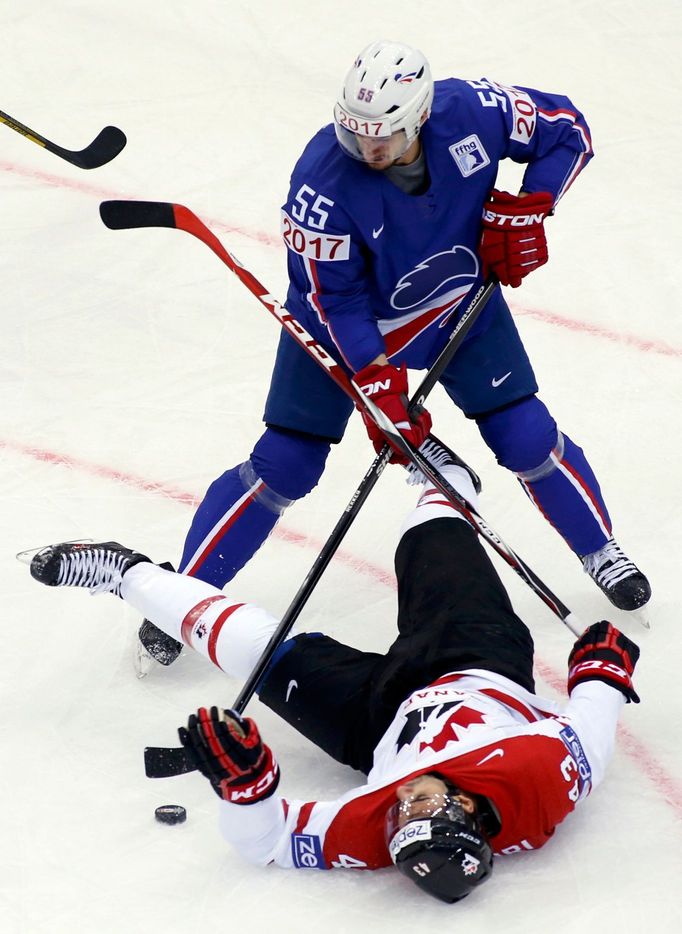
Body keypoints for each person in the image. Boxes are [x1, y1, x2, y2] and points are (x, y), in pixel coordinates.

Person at [138, 39, 649, 668]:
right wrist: (376, 382)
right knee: (286, 464)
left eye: (383, 136)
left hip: (453, 301)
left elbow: (568, 130)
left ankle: (601, 550)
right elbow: (338, 301)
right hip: (341, 324)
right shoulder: (320, 184)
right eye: (355, 135)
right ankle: (178, 591)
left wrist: (529, 208)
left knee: (526, 434)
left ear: (422, 115)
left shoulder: (474, 111)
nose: (367, 150)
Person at [27, 450, 640, 904]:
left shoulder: (382, 827)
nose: (400, 801)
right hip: (475, 663)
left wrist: (249, 789)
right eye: (419, 802)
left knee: (259, 653)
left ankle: (126, 574)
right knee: (433, 547)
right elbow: (595, 731)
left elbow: (265, 843)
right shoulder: (540, 779)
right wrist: (601, 673)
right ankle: (445, 481)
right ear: (464, 807)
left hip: (375, 723)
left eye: (399, 817)